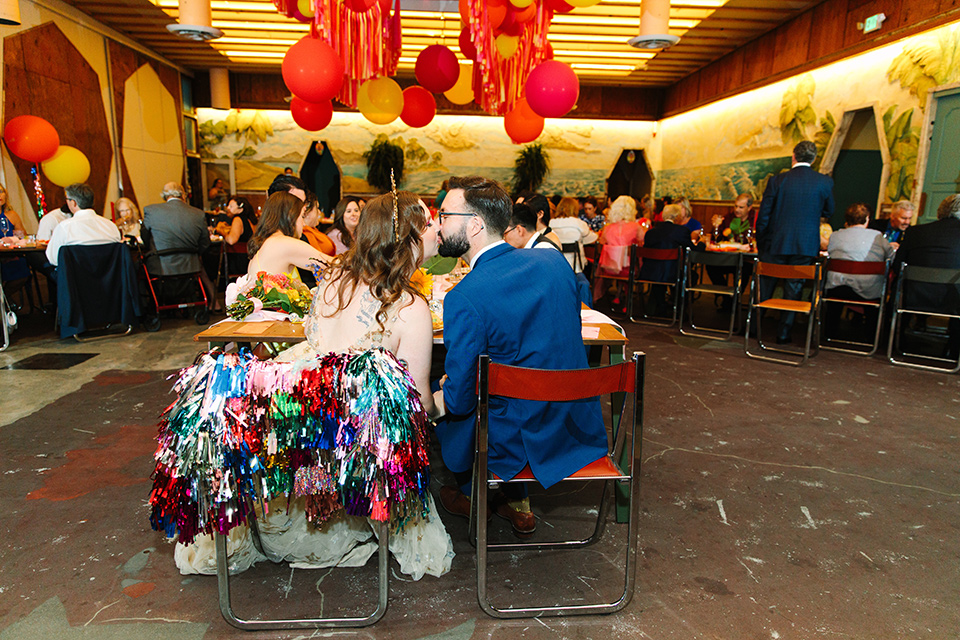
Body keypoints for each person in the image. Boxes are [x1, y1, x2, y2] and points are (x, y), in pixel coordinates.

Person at [175, 190, 454, 580]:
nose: (437, 230)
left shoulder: (334, 280)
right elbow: (416, 406)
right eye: (428, 225)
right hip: (360, 452)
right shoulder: (409, 307)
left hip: (304, 436)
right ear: (407, 239)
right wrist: (447, 399)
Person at [433, 175, 608, 536]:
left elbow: (462, 400)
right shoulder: (555, 264)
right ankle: (508, 499)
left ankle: (475, 494)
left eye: (444, 214)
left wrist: (443, 389)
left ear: (475, 224)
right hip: (574, 424)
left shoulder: (464, 297)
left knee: (445, 399)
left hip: (515, 441)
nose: (438, 224)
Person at [755, 140, 834, 344]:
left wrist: (762, 242)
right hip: (805, 245)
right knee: (794, 288)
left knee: (766, 285)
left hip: (775, 243)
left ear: (793, 156)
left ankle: (755, 328)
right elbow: (829, 211)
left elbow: (764, 215)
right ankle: (783, 333)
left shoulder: (777, 180)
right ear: (814, 159)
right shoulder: (824, 182)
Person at [891, 194, 960, 358]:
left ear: (940, 211)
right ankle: (954, 351)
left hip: (911, 297)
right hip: (952, 301)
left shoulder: (915, 232)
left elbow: (897, 266)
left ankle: (895, 343)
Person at [141, 182, 218, 310]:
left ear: (164, 196)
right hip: (191, 264)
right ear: (183, 195)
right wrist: (195, 254)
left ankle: (151, 306)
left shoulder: (151, 211)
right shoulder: (198, 214)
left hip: (161, 264)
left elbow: (145, 237)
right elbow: (205, 242)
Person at [823, 202, 894, 338]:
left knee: (834, 293)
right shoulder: (878, 237)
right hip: (868, 291)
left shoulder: (835, 236)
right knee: (875, 290)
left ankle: (828, 333)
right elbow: (891, 258)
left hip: (836, 289)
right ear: (867, 218)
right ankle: (871, 338)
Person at [246, 191, 330, 279]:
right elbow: (329, 264)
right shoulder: (283, 243)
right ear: (290, 217)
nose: (304, 224)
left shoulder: (268, 241)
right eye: (302, 217)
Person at [45, 183, 121, 268]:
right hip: (108, 278)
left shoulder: (65, 227)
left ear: (73, 203)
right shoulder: (111, 226)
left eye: (67, 199)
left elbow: (53, 259)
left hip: (75, 279)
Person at [640, 203, 695, 316]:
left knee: (660, 269)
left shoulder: (650, 232)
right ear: (677, 217)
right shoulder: (681, 231)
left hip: (648, 272)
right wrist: (702, 244)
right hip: (671, 274)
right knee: (691, 275)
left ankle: (661, 306)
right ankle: (680, 308)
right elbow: (692, 250)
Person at [593, 195, 647, 303]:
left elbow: (601, 243)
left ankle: (612, 296)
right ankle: (628, 299)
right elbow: (642, 245)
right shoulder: (636, 227)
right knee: (632, 260)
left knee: (618, 260)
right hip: (628, 271)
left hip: (608, 269)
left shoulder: (608, 228)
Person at [551, 196, 597, 272]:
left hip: (556, 264)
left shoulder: (551, 223)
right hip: (576, 266)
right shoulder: (578, 223)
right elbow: (592, 238)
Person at [0, 184, 30, 283]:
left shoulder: (12, 215)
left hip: (12, 254)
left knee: (22, 265)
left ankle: (6, 297)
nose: (0, 195)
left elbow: (23, 237)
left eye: (1, 192)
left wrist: (17, 239)